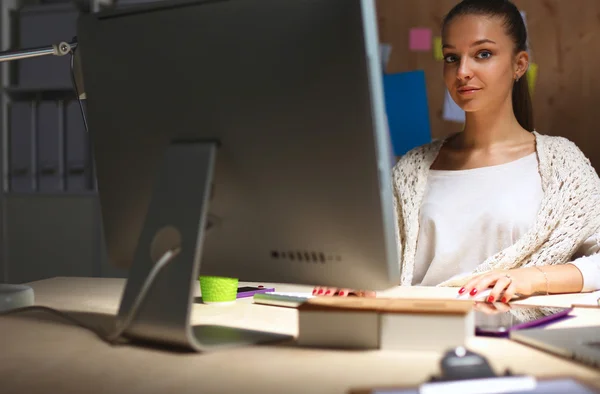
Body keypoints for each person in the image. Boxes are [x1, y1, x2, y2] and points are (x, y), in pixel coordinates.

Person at [314, 0, 600, 302]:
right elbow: (375, 264)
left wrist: (530, 278)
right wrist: (354, 279)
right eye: (451, 57)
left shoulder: (561, 164)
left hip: (511, 336)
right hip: (414, 332)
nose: (463, 71)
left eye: (483, 54)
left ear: (520, 64)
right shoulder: (414, 167)